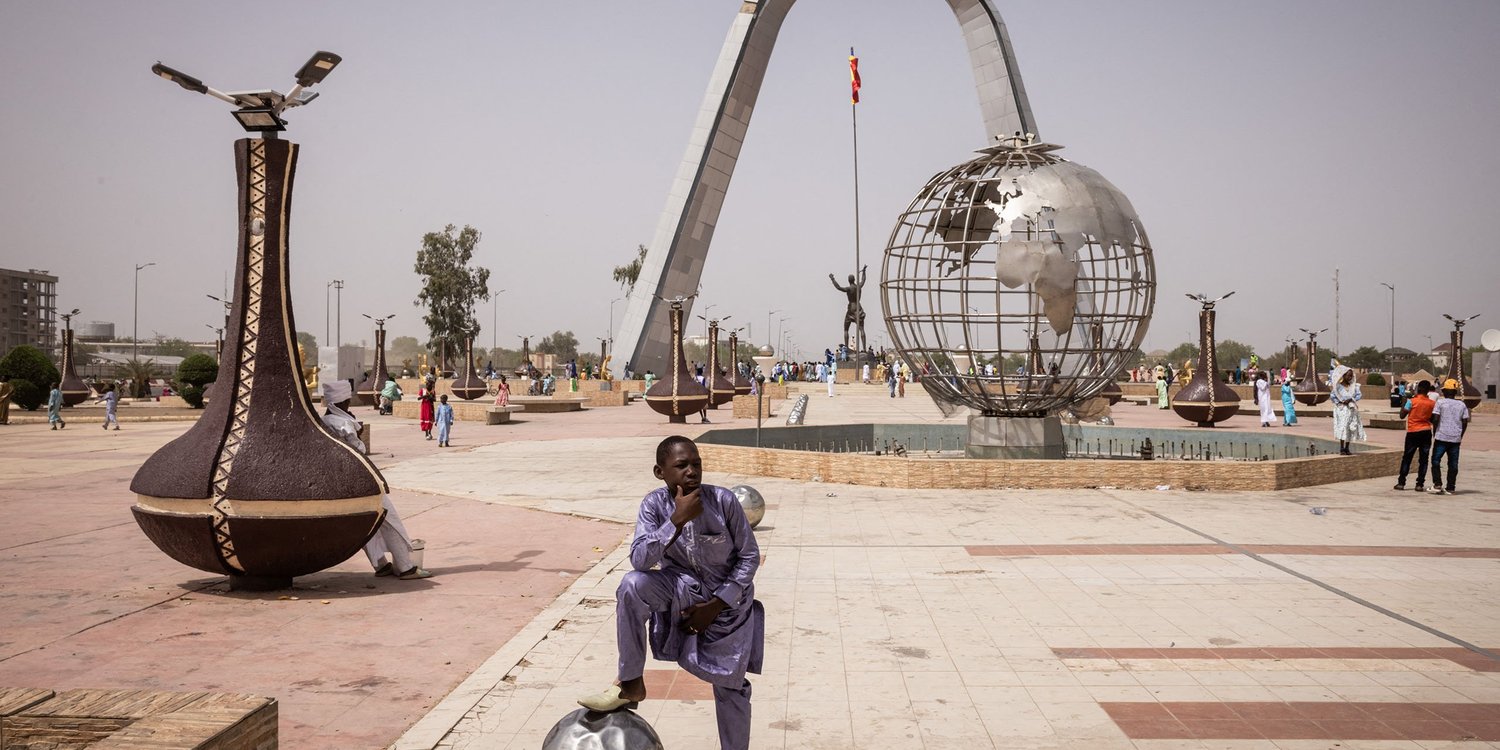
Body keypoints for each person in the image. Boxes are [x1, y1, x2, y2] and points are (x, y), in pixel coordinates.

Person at [578, 436, 762, 750]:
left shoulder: (724, 501)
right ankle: (631, 680)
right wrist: (675, 521)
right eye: (681, 465)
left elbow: (749, 557)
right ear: (660, 472)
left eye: (696, 464)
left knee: (730, 687)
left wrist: (716, 604)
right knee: (632, 585)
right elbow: (640, 559)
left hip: (727, 607)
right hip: (680, 590)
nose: (691, 471)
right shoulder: (653, 505)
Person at [319, 380, 432, 579]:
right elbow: (358, 451)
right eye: (347, 401)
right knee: (389, 519)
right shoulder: (343, 424)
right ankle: (406, 567)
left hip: (338, 484)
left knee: (361, 525)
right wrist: (359, 435)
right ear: (341, 402)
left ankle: (380, 564)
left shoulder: (324, 422)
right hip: (360, 480)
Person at [1428, 379, 1471, 495]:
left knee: (1436, 461)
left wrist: (1435, 433)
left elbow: (1436, 419)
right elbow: (1465, 421)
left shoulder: (1440, 403)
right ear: (1455, 392)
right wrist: (1460, 435)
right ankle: (1451, 487)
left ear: (1446, 391)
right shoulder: (1462, 405)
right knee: (1453, 464)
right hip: (1455, 439)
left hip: (1441, 437)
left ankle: (1437, 484)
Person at [1395, 380, 1434, 491]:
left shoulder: (1411, 401)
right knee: (1424, 459)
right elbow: (1433, 418)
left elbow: (1402, 415)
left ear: (1419, 389)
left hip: (1413, 432)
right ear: (1427, 391)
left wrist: (1403, 403)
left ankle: (1401, 482)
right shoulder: (1432, 403)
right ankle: (1419, 484)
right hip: (1426, 432)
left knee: (1407, 457)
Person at [1330, 365, 1365, 455]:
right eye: (1348, 375)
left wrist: (1351, 400)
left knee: (1350, 428)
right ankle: (1342, 447)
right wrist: (1340, 402)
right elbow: (1333, 397)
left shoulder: (1354, 386)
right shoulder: (1338, 387)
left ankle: (1347, 447)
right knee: (1343, 427)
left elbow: (1358, 395)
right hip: (1342, 410)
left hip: (1351, 409)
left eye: (1351, 376)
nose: (1350, 377)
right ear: (1343, 375)